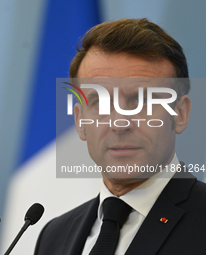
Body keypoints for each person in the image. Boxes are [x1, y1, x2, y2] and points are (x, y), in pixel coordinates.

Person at [34, 18, 206, 255]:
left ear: (180, 114)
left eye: (141, 100)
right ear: (80, 122)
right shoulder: (54, 236)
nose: (119, 123)